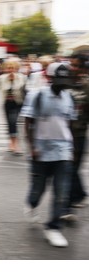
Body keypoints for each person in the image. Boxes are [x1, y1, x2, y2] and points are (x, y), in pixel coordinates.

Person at [20, 62, 76, 247]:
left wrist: (71, 147)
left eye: (65, 79)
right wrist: (32, 146)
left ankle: (53, 227)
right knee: (38, 189)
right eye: (59, 79)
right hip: (41, 150)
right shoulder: (37, 95)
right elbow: (28, 122)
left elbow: (68, 124)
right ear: (49, 78)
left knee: (61, 192)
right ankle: (31, 203)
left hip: (63, 151)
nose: (63, 84)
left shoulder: (69, 97)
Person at [67, 53, 89, 209]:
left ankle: (77, 195)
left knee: (73, 167)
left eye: (76, 65)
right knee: (68, 167)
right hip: (62, 133)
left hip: (79, 133)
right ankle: (77, 195)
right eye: (71, 65)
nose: (73, 68)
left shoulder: (87, 86)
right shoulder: (64, 82)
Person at [0, 60, 27, 154]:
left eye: (12, 68)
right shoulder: (1, 78)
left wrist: (14, 79)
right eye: (9, 68)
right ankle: (11, 142)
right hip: (7, 103)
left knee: (13, 121)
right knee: (9, 123)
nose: (10, 70)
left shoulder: (22, 77)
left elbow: (19, 87)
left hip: (18, 103)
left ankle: (16, 144)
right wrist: (9, 80)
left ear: (16, 68)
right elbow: (4, 88)